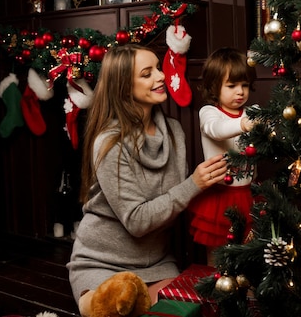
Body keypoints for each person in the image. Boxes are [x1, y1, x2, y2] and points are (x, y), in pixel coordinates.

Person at [66, 44, 228, 314]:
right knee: (109, 308)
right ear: (123, 86)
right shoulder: (109, 143)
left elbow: (174, 204)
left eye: (158, 68)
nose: (161, 76)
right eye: (147, 73)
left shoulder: (175, 132)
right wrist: (194, 184)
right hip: (101, 263)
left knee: (185, 311)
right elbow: (138, 222)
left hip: (157, 263)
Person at [188, 47, 257, 266]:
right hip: (220, 195)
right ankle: (217, 294)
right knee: (218, 256)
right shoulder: (209, 112)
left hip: (248, 193)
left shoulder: (252, 112)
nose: (240, 92)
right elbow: (216, 129)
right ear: (214, 87)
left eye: (244, 85)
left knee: (247, 252)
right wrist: (244, 124)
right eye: (232, 85)